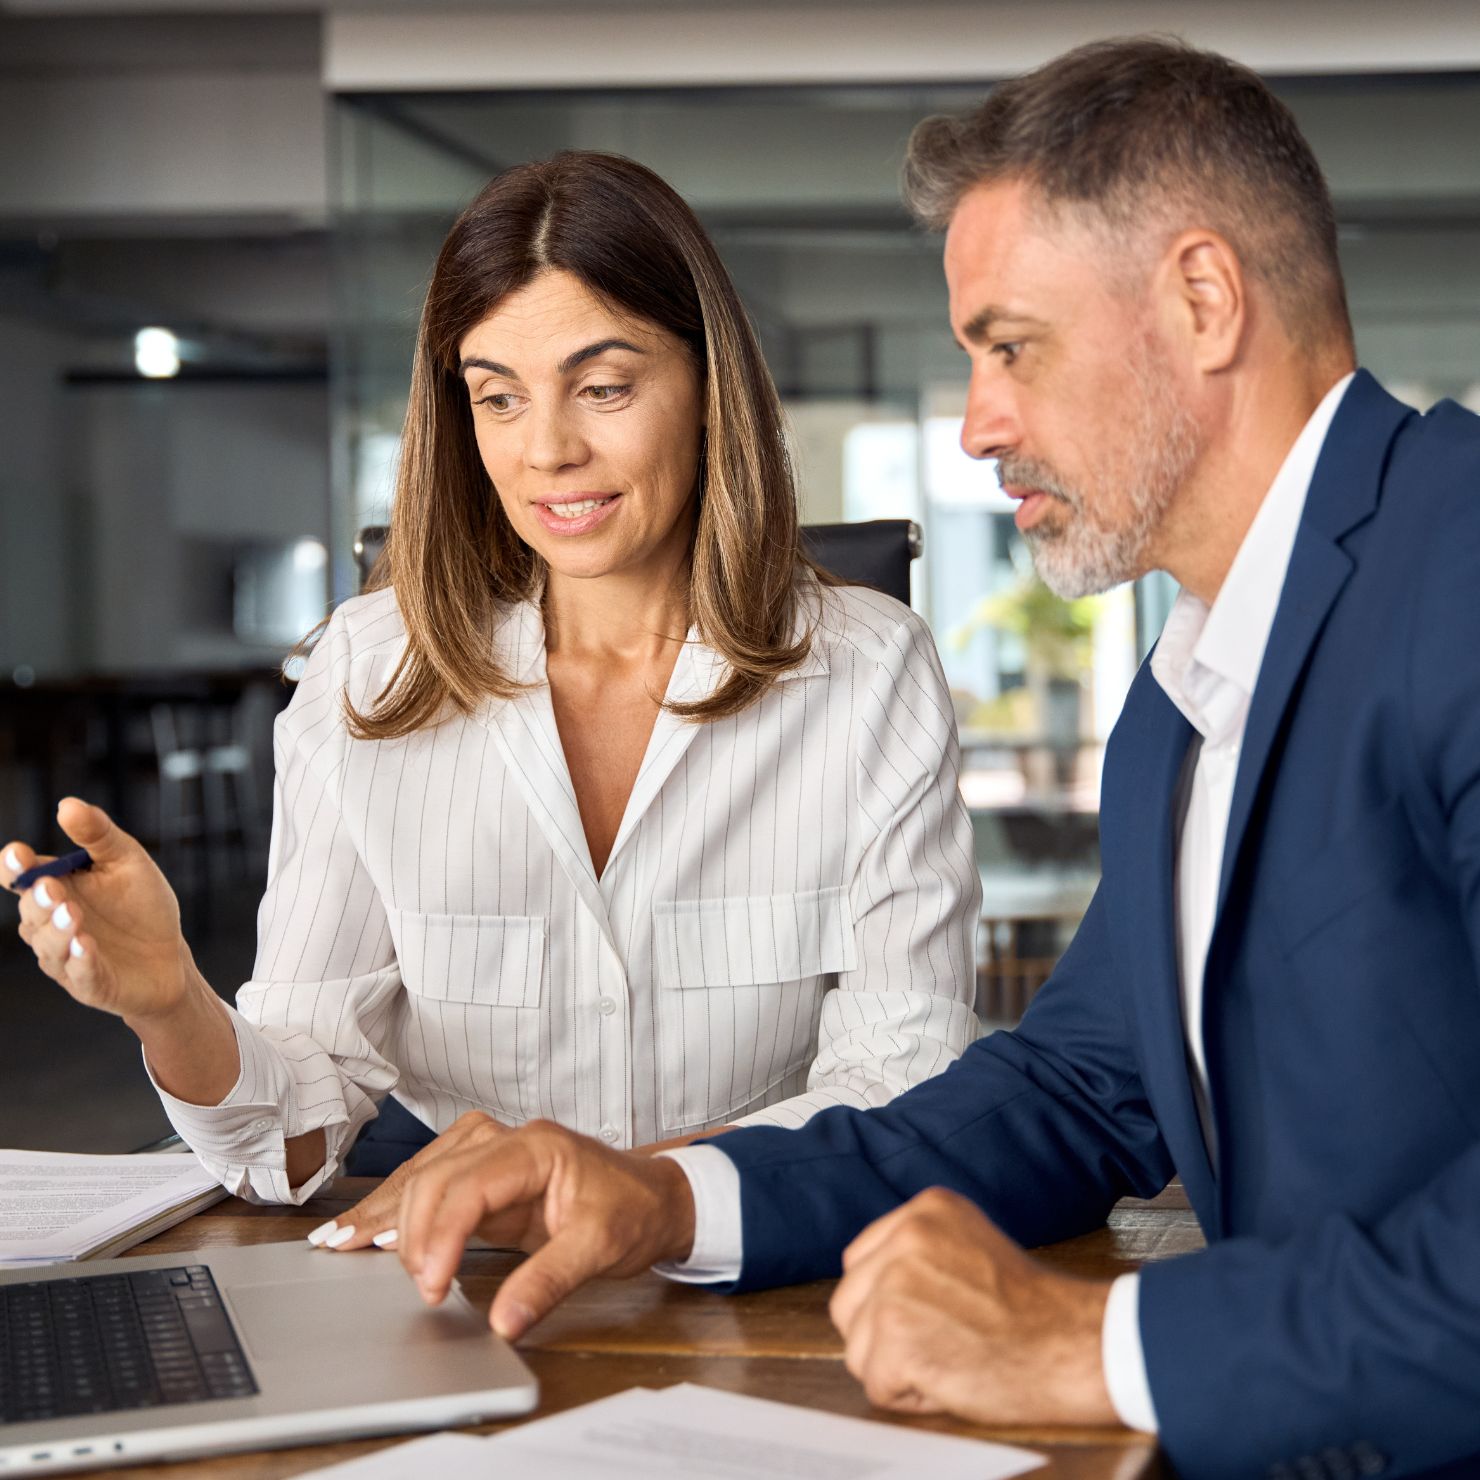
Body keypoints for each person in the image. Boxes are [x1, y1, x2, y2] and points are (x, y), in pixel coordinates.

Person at [357, 39, 1480, 1480]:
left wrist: (1099, 1349)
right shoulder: (1186, 695)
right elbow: (1079, 1091)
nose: (976, 425)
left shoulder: (1456, 566)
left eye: (1010, 346)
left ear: (1204, 299)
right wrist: (666, 1200)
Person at [2, 152, 981, 1230]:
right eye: (498, 398)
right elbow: (291, 1135)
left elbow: (903, 1082)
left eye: (604, 387)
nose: (549, 451)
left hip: (770, 1264)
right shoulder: (367, 678)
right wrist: (172, 1003)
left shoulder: (868, 669)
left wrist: (619, 1189)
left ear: (709, 388)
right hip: (468, 1281)